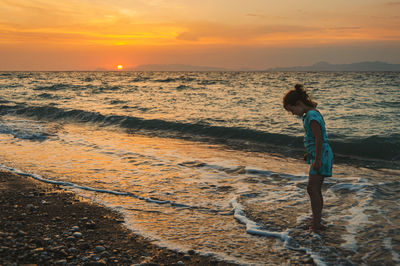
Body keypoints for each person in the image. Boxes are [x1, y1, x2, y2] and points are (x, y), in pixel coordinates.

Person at [283, 84, 333, 231]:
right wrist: (310, 155)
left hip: (322, 155)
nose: (293, 113)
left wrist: (317, 159)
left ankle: (317, 223)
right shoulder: (309, 115)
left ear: (298, 103)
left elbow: (319, 138)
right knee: (314, 189)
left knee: (313, 189)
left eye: (292, 110)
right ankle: (316, 220)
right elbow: (314, 138)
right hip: (319, 154)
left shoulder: (311, 116)